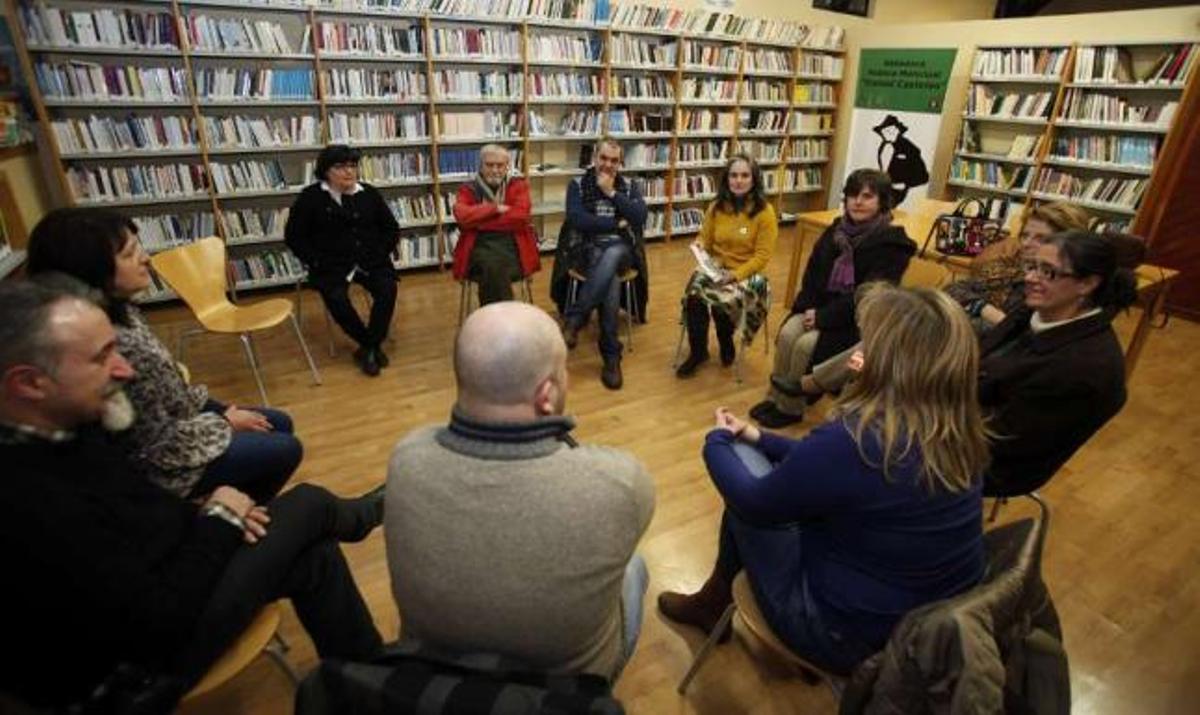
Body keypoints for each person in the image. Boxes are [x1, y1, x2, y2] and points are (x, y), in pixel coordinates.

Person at [0, 279, 384, 712]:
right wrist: (219, 521)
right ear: (29, 383)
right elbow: (155, 621)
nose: (125, 370)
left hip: (164, 584)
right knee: (309, 504)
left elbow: (136, 525)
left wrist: (200, 514)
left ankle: (370, 681)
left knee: (312, 553)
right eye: (101, 357)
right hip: (132, 673)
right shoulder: (26, 501)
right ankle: (358, 526)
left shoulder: (63, 429)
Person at [658, 284, 989, 675]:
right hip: (918, 631)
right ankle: (711, 604)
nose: (858, 353)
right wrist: (760, 436)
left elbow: (755, 502)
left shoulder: (860, 438)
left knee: (743, 474)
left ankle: (711, 606)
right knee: (762, 466)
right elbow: (829, 470)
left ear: (892, 363)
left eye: (869, 344)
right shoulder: (956, 434)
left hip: (842, 636)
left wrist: (716, 439)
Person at [385, 301, 655, 682]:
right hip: (559, 693)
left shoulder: (407, 457)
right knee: (635, 567)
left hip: (431, 677)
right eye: (564, 373)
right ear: (545, 396)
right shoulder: (620, 481)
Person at [26, 208, 301, 503]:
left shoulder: (123, 310)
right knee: (285, 448)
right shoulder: (108, 343)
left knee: (277, 421)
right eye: (130, 254)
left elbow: (172, 392)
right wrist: (226, 422)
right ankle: (233, 513)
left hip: (180, 423)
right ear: (92, 270)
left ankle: (240, 507)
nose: (146, 258)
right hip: (162, 463)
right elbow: (155, 444)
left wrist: (221, 411)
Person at [751, 168, 915, 429]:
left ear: (883, 201)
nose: (857, 202)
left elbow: (867, 296)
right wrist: (808, 308)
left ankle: (792, 407)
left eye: (867, 196)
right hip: (817, 309)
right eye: (852, 195)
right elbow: (813, 273)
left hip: (853, 321)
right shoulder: (837, 230)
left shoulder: (893, 246)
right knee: (787, 335)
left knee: (805, 346)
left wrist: (822, 317)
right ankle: (776, 397)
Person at [980, 230, 1138, 497]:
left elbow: (1000, 442)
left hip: (989, 467)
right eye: (1032, 266)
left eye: (1048, 272)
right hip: (968, 414)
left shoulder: (1083, 369)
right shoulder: (1040, 309)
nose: (1030, 278)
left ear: (1087, 284)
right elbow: (984, 357)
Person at [285, 144, 400, 377]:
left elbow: (391, 229)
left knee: (388, 289)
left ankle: (370, 346)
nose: (349, 171)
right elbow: (294, 237)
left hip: (371, 260)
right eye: (340, 166)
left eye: (352, 166)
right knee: (336, 297)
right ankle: (369, 344)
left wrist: (380, 252)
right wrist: (315, 261)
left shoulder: (368, 193)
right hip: (330, 264)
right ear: (326, 170)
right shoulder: (311, 197)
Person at [558, 138, 649, 390]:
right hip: (587, 250)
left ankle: (576, 318)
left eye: (614, 160)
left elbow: (640, 217)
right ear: (595, 158)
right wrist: (615, 224)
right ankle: (611, 355)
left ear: (620, 162)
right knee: (606, 269)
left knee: (612, 253)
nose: (608, 164)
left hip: (622, 250)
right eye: (603, 158)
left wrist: (611, 193)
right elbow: (577, 220)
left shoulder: (628, 187)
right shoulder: (577, 185)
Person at [675, 154, 778, 378]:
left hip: (747, 272)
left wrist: (735, 275)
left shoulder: (765, 212)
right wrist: (699, 246)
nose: (738, 181)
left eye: (744, 175)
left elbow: (762, 257)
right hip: (717, 267)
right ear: (726, 179)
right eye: (733, 175)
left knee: (724, 299)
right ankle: (698, 351)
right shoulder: (716, 207)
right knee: (694, 294)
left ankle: (725, 338)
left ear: (754, 179)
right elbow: (706, 239)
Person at [946, 201, 1091, 331]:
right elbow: (955, 288)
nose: (1026, 244)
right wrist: (986, 309)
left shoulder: (1063, 289)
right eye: (1025, 235)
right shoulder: (1012, 267)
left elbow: (1019, 333)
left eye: (1041, 239)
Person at [451, 144, 540, 305]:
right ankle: (505, 318)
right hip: (478, 247)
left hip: (514, 248)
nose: (494, 170)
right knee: (491, 267)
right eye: (489, 165)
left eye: (499, 165)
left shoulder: (518, 186)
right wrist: (495, 208)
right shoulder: (468, 189)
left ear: (508, 166)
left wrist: (477, 221)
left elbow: (520, 217)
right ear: (481, 165)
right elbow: (462, 216)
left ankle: (493, 321)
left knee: (493, 270)